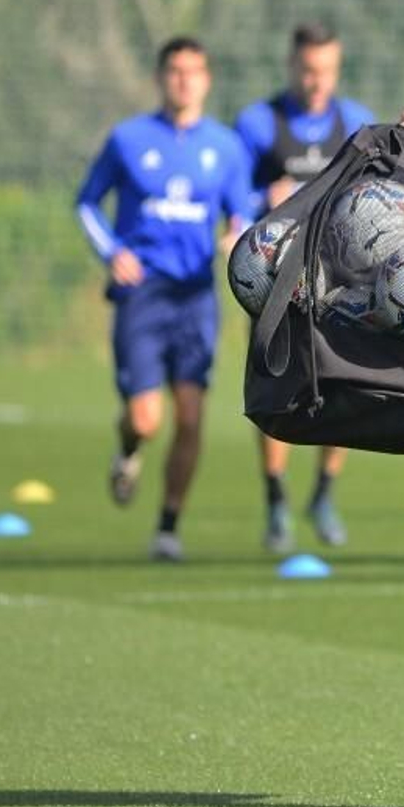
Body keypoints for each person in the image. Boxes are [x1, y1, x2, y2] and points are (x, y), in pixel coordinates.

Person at [75, 36, 253, 561]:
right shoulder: (129, 139)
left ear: (207, 79)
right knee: (146, 418)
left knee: (192, 415)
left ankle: (168, 526)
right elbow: (87, 202)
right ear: (160, 77)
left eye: (193, 72)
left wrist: (234, 237)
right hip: (142, 294)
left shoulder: (224, 147)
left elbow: (239, 213)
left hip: (196, 296)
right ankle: (128, 448)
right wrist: (112, 252)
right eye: (175, 71)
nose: (184, 80)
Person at [235, 23, 376, 554]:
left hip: (338, 279)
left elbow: (373, 196)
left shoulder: (355, 121)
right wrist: (258, 198)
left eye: (326, 70)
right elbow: (233, 197)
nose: (316, 80)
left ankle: (323, 493)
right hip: (274, 281)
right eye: (307, 69)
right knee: (279, 386)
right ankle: (275, 499)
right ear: (291, 65)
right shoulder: (257, 123)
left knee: (338, 385)